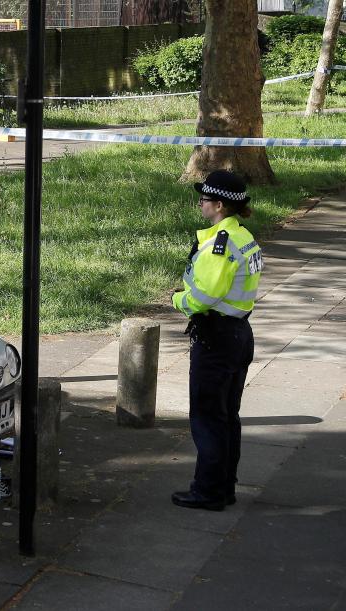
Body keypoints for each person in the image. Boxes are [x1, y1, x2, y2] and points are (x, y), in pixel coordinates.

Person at [171, 170, 262, 511]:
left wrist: (178, 300)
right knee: (227, 416)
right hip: (239, 334)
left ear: (220, 205)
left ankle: (207, 492)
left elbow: (204, 296)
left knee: (208, 417)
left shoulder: (219, 244)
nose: (201, 203)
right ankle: (224, 487)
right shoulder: (243, 236)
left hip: (217, 338)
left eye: (205, 199)